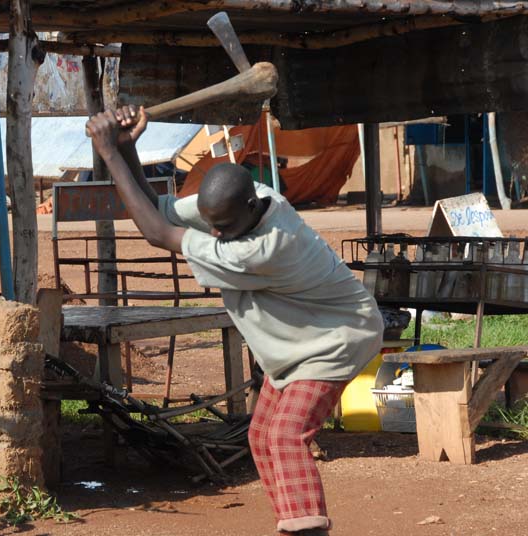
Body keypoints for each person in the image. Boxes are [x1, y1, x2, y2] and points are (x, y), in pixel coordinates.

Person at [85, 105, 384, 536]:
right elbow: (158, 210)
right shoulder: (258, 201)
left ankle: (308, 530)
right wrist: (130, 146)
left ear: (249, 206)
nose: (218, 235)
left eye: (224, 227)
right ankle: (292, 524)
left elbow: (155, 233)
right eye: (213, 226)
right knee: (261, 436)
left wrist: (108, 152)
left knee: (286, 437)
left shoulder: (261, 249)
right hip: (299, 342)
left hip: (339, 338)